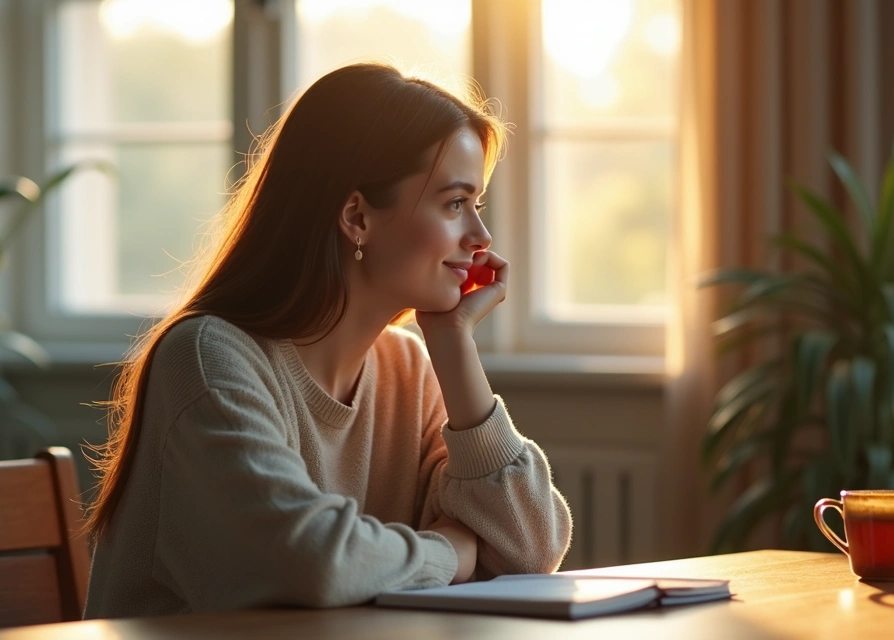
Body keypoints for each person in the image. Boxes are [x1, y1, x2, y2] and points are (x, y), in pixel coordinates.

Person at [82, 62, 573, 618]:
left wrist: (455, 347)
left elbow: (530, 548)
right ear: (357, 217)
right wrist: (453, 552)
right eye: (455, 204)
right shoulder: (208, 358)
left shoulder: (408, 368)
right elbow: (309, 562)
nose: (481, 238)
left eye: (475, 205)